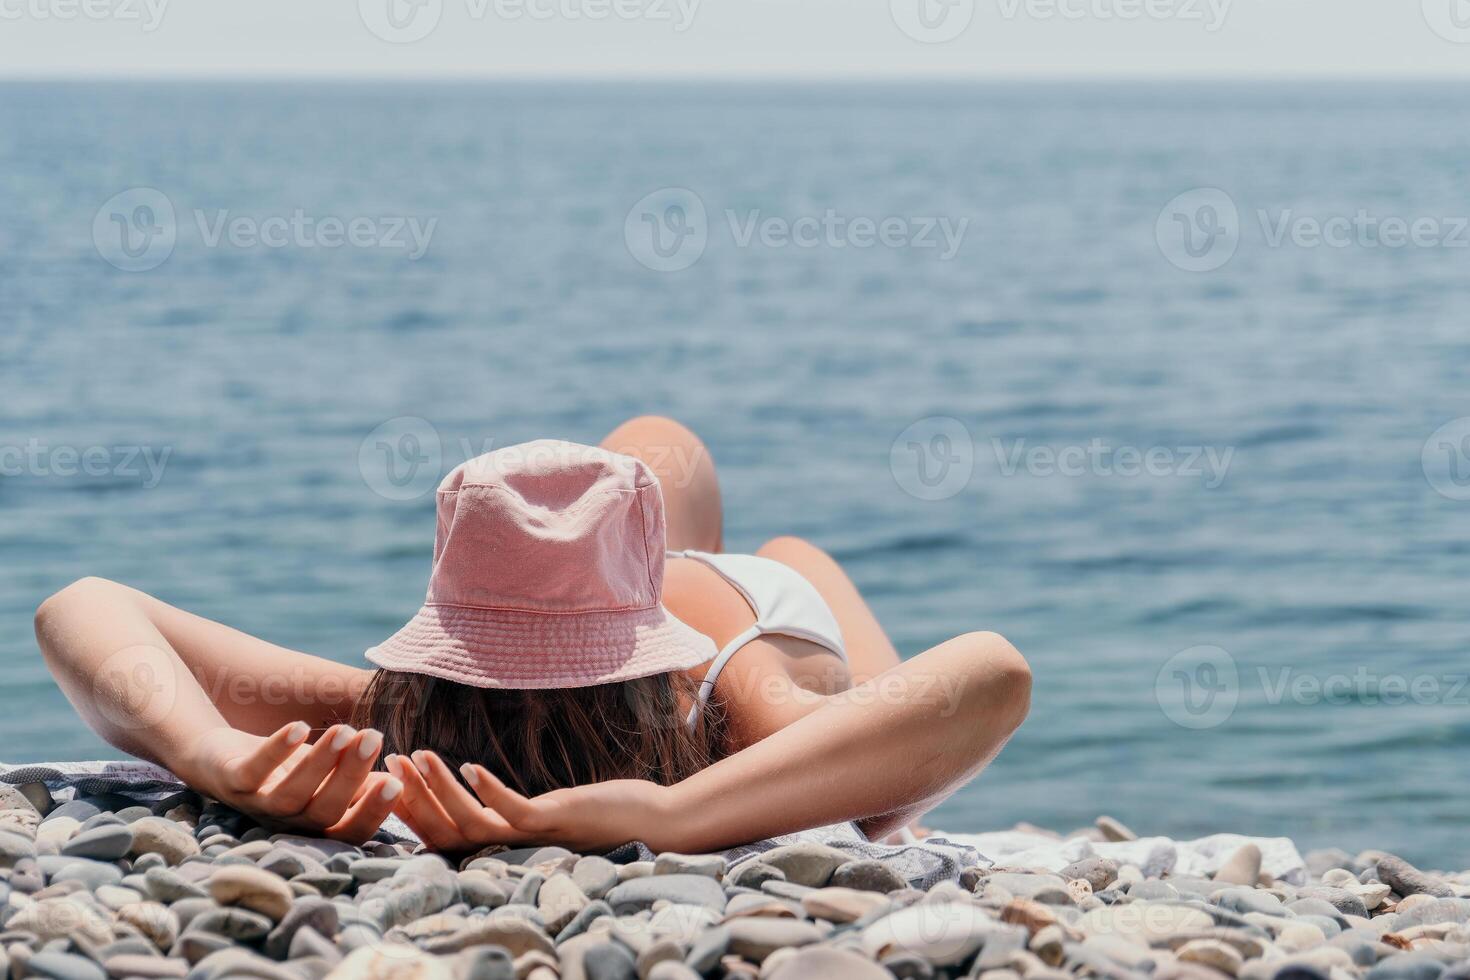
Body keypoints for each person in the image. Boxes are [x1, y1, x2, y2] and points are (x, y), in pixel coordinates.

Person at [33, 417, 1030, 852]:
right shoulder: (404, 713)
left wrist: (214, 752)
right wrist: (208, 753)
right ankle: (613, 535)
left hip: (743, 616)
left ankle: (608, 533)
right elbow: (989, 680)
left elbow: (85, 605)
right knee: (884, 803)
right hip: (642, 584)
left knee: (675, 469)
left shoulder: (723, 703)